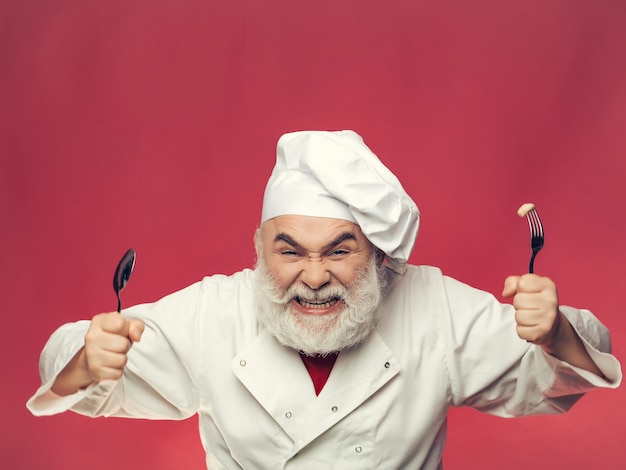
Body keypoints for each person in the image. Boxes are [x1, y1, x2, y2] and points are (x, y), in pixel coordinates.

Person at [28, 130, 621, 469]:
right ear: (260, 249)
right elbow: (66, 361)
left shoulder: (431, 306)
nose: (313, 277)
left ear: (378, 256)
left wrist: (555, 336)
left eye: (339, 251)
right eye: (290, 252)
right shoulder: (216, 312)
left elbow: (558, 377)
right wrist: (86, 360)